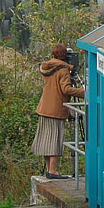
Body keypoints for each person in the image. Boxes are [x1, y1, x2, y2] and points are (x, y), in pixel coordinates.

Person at [33, 44, 85, 179]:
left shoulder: (48, 67)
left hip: (44, 108)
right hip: (56, 109)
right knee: (55, 139)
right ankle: (53, 171)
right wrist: (84, 92)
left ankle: (50, 169)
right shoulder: (63, 70)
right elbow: (66, 89)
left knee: (45, 140)